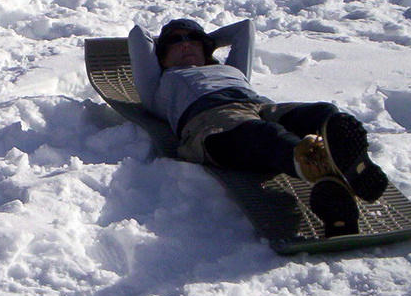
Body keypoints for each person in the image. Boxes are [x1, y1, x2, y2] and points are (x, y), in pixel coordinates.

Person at [128, 18, 389, 237]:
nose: (185, 43)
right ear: (161, 55)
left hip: (263, 107)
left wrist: (206, 43)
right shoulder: (159, 84)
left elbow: (245, 29)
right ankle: (314, 164)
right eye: (175, 40)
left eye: (192, 38)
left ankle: (348, 169)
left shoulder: (231, 69)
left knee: (324, 114)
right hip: (211, 121)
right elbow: (139, 35)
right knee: (264, 136)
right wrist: (192, 43)